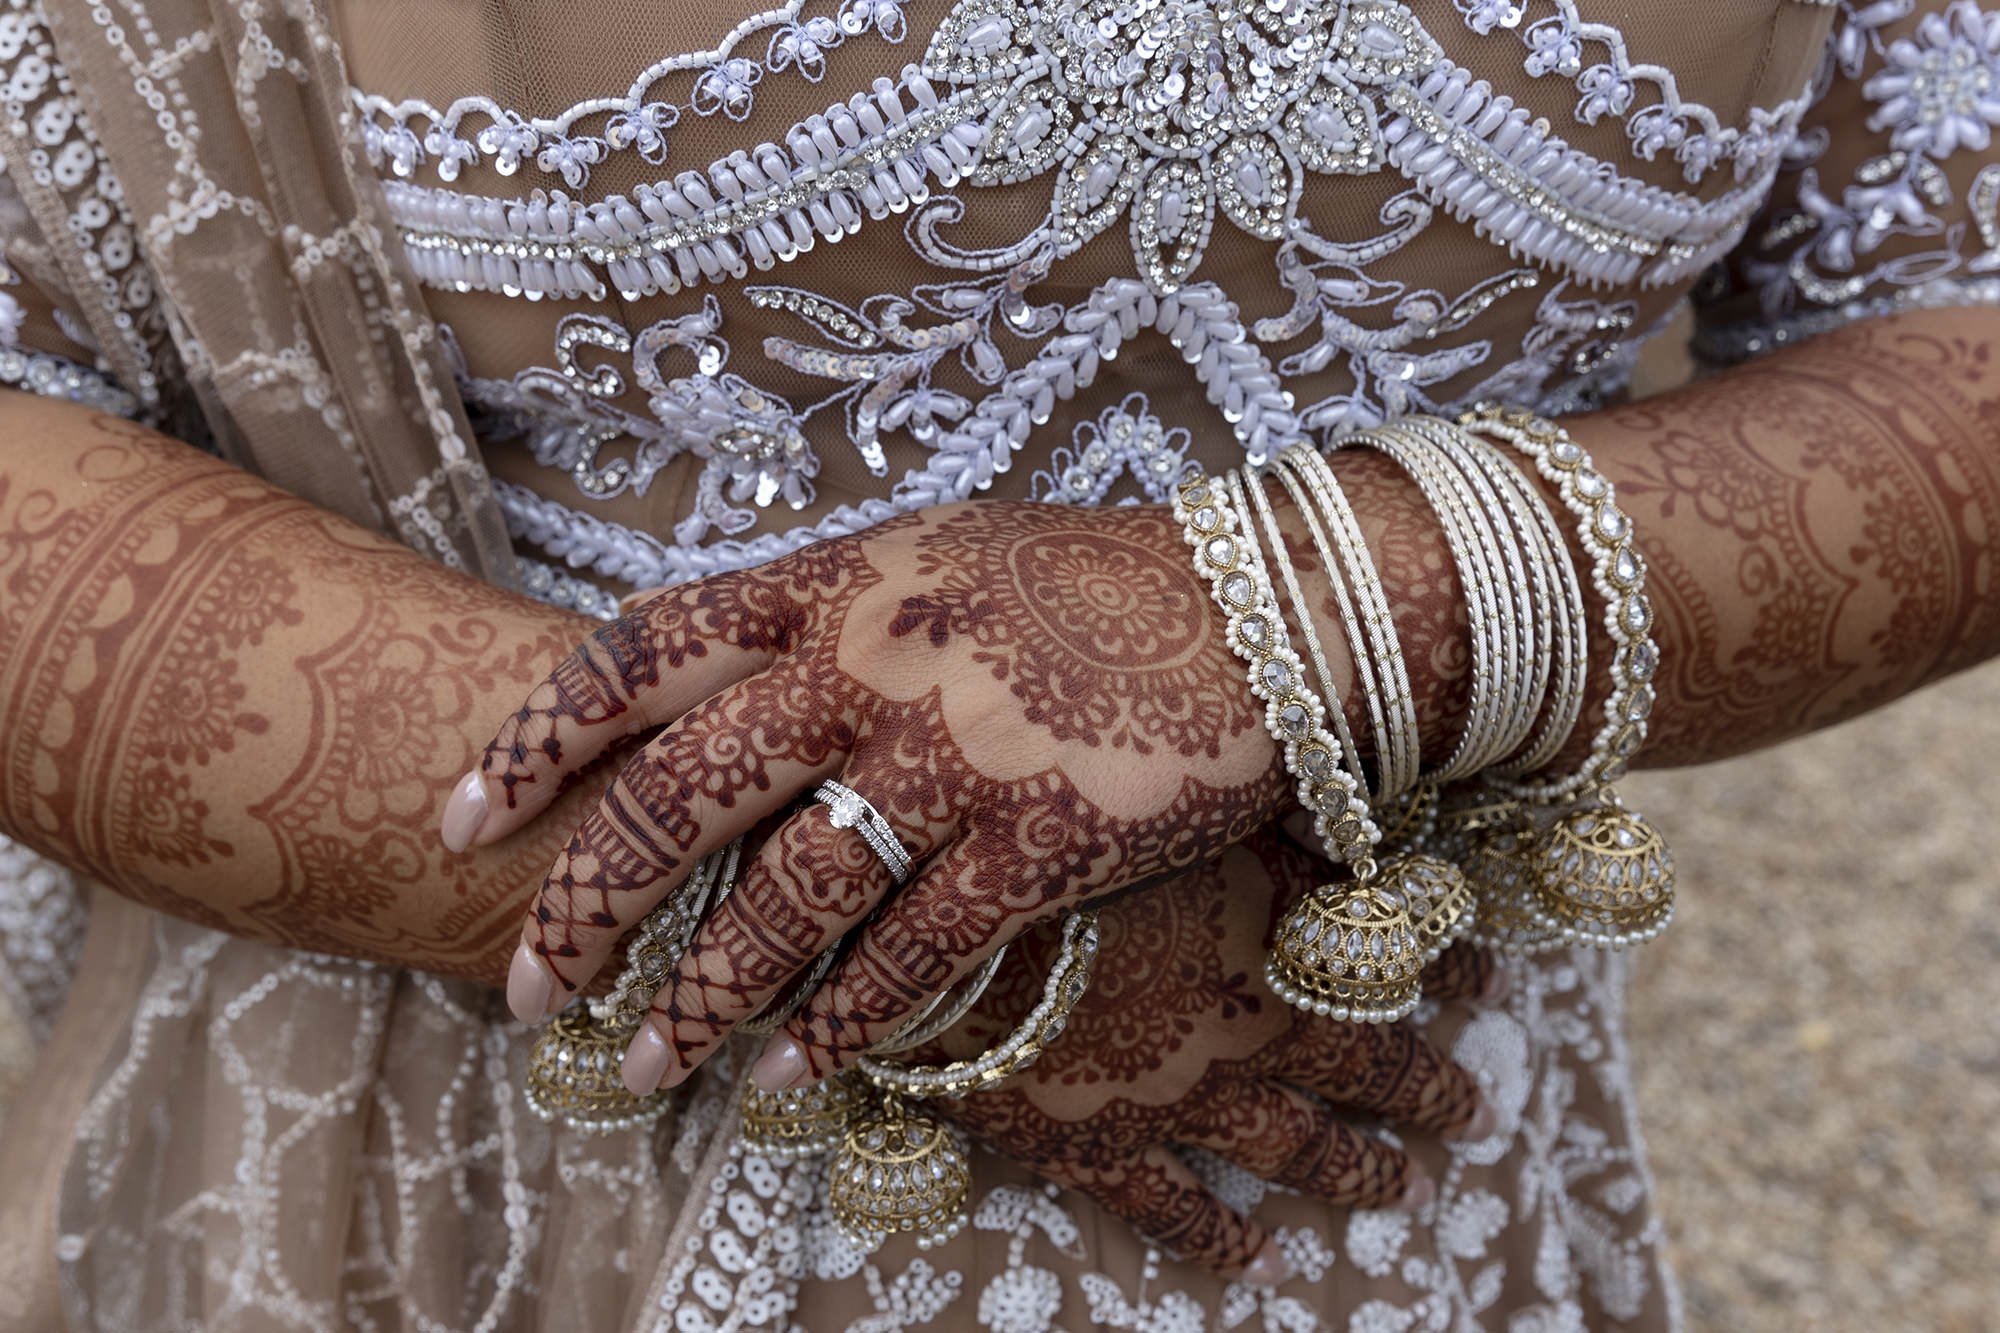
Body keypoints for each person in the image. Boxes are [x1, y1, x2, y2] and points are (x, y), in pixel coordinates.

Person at [0, 1, 1994, 1328]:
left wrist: (1328, 598)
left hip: (1371, 1169)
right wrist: (908, 912)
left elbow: (1955, 318)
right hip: (484, 1177)